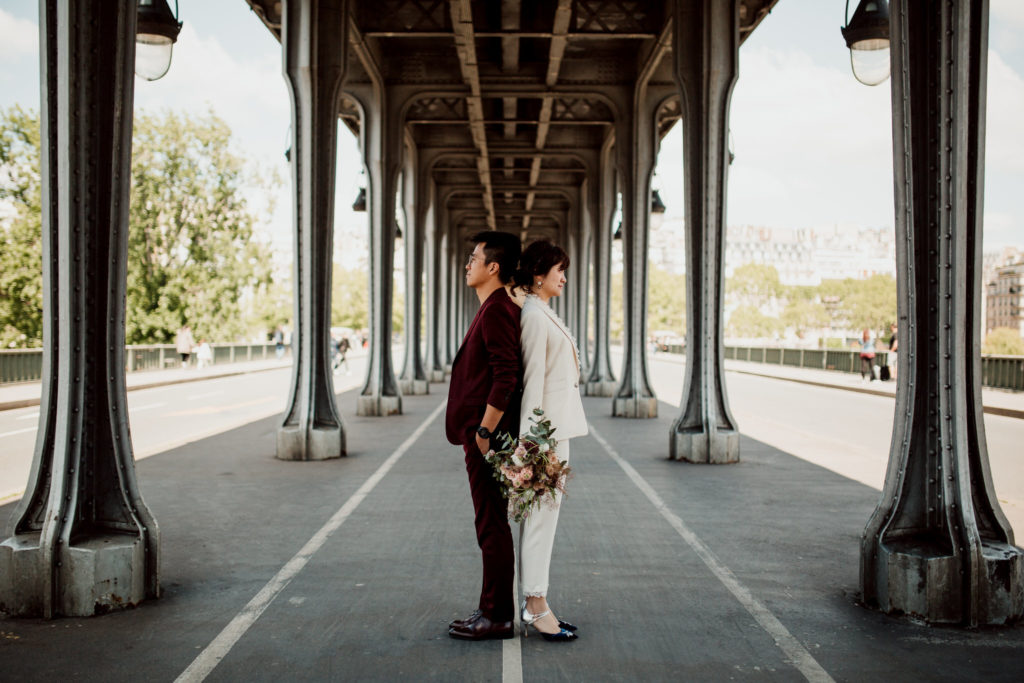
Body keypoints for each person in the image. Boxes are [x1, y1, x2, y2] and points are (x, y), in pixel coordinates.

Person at [445, 231, 523, 641]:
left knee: (491, 525)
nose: (467, 263)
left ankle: (496, 616)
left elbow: (506, 375)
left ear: (493, 266)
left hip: (487, 437)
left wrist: (484, 432)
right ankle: (490, 608)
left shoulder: (495, 310)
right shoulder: (494, 307)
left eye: (474, 257)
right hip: (484, 435)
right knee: (489, 524)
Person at [512, 239, 586, 642]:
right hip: (545, 437)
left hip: (556, 432)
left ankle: (538, 601)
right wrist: (532, 445)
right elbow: (532, 382)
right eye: (559, 269)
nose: (564, 276)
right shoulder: (535, 316)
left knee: (545, 517)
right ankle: (535, 604)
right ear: (539, 273)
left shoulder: (544, 312)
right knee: (541, 518)